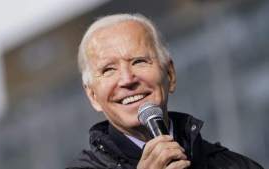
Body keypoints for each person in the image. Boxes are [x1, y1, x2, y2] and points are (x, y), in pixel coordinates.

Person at [67, 13, 263, 169]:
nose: (127, 79)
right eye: (109, 70)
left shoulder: (234, 165)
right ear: (92, 96)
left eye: (139, 61)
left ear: (170, 74)